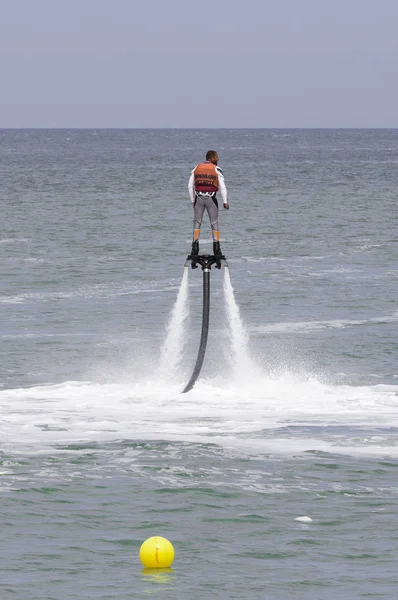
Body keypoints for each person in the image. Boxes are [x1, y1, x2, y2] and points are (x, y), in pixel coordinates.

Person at [188, 150, 229, 257]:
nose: (218, 159)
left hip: (199, 198)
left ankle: (194, 248)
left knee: (197, 222)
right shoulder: (216, 169)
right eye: (216, 157)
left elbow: (190, 186)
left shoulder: (196, 168)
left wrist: (193, 200)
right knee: (214, 223)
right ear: (211, 158)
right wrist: (225, 202)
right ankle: (216, 249)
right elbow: (222, 187)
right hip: (211, 199)